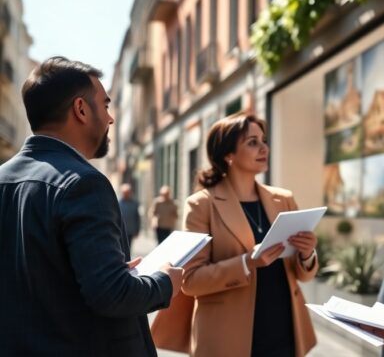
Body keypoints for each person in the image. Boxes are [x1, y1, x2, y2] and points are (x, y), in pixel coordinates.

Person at [0, 56, 181, 356]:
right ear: (81, 109)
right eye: (106, 105)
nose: (110, 119)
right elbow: (112, 294)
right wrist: (165, 282)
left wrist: (105, 269)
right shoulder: (83, 183)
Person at [151, 112, 318, 356]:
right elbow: (190, 281)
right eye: (252, 142)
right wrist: (246, 262)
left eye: (263, 140)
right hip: (226, 337)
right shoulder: (202, 205)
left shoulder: (284, 199)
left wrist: (306, 253)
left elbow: (303, 275)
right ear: (228, 155)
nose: (264, 148)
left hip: (285, 330)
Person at [118, 183, 141, 252]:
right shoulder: (118, 203)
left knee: (128, 248)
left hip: (130, 230)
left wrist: (137, 230)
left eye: (127, 192)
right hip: (120, 230)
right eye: (124, 193)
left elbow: (137, 217)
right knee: (120, 248)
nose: (126, 194)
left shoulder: (135, 203)